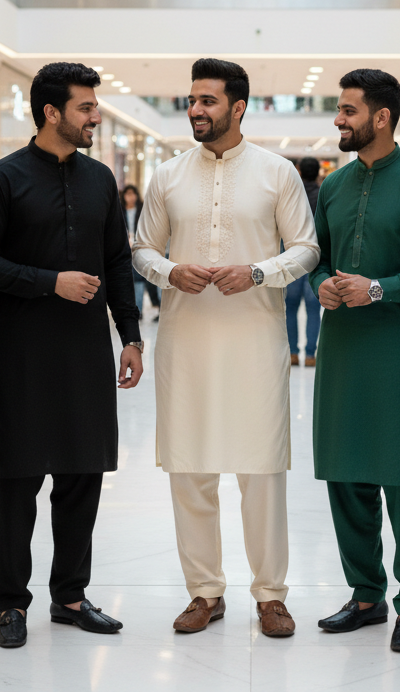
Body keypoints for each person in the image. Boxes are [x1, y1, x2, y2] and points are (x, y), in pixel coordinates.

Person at [132, 58, 319, 638]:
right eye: (192, 100)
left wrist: (259, 273)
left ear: (238, 107)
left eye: (207, 101)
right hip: (185, 343)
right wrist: (168, 272)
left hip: (256, 341)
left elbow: (307, 248)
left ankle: (271, 595)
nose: (196, 110)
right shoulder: (167, 176)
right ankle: (204, 591)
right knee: (189, 467)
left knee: (261, 468)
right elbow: (141, 250)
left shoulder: (276, 173)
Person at [0, 62, 144, 647]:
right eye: (86, 108)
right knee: (18, 482)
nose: (95, 117)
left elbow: (117, 261)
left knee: (82, 477)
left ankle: (69, 595)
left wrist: (132, 336)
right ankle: (11, 606)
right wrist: (50, 281)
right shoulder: (2, 179)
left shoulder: (100, 182)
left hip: (86, 351)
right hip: (22, 353)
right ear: (51, 112)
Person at [311, 70, 400, 653]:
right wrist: (323, 283)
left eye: (348, 111)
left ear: (381, 116)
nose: (339, 121)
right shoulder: (333, 187)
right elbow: (318, 257)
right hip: (342, 346)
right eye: (339, 110)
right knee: (345, 472)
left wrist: (380, 289)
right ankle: (365, 594)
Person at [286, 157, 322, 366]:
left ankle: (292, 352)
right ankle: (310, 355)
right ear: (317, 172)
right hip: (315, 257)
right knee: (312, 306)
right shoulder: (324, 194)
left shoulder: (293, 195)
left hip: (291, 256)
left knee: (290, 306)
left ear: (299, 171)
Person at [123, 184, 161, 319]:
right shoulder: (120, 210)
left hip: (142, 246)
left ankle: (153, 307)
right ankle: (136, 309)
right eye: (127, 194)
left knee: (145, 279)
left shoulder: (142, 210)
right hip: (125, 248)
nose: (130, 197)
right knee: (133, 279)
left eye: (132, 194)